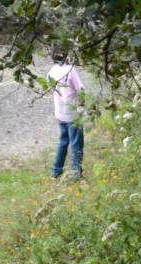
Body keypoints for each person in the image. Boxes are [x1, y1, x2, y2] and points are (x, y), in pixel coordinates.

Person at [47, 51, 84, 179]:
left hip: (59, 112)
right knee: (76, 143)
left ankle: (56, 171)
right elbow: (80, 89)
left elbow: (51, 89)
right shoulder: (71, 70)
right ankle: (75, 173)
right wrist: (82, 106)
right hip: (72, 112)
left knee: (63, 142)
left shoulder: (51, 71)